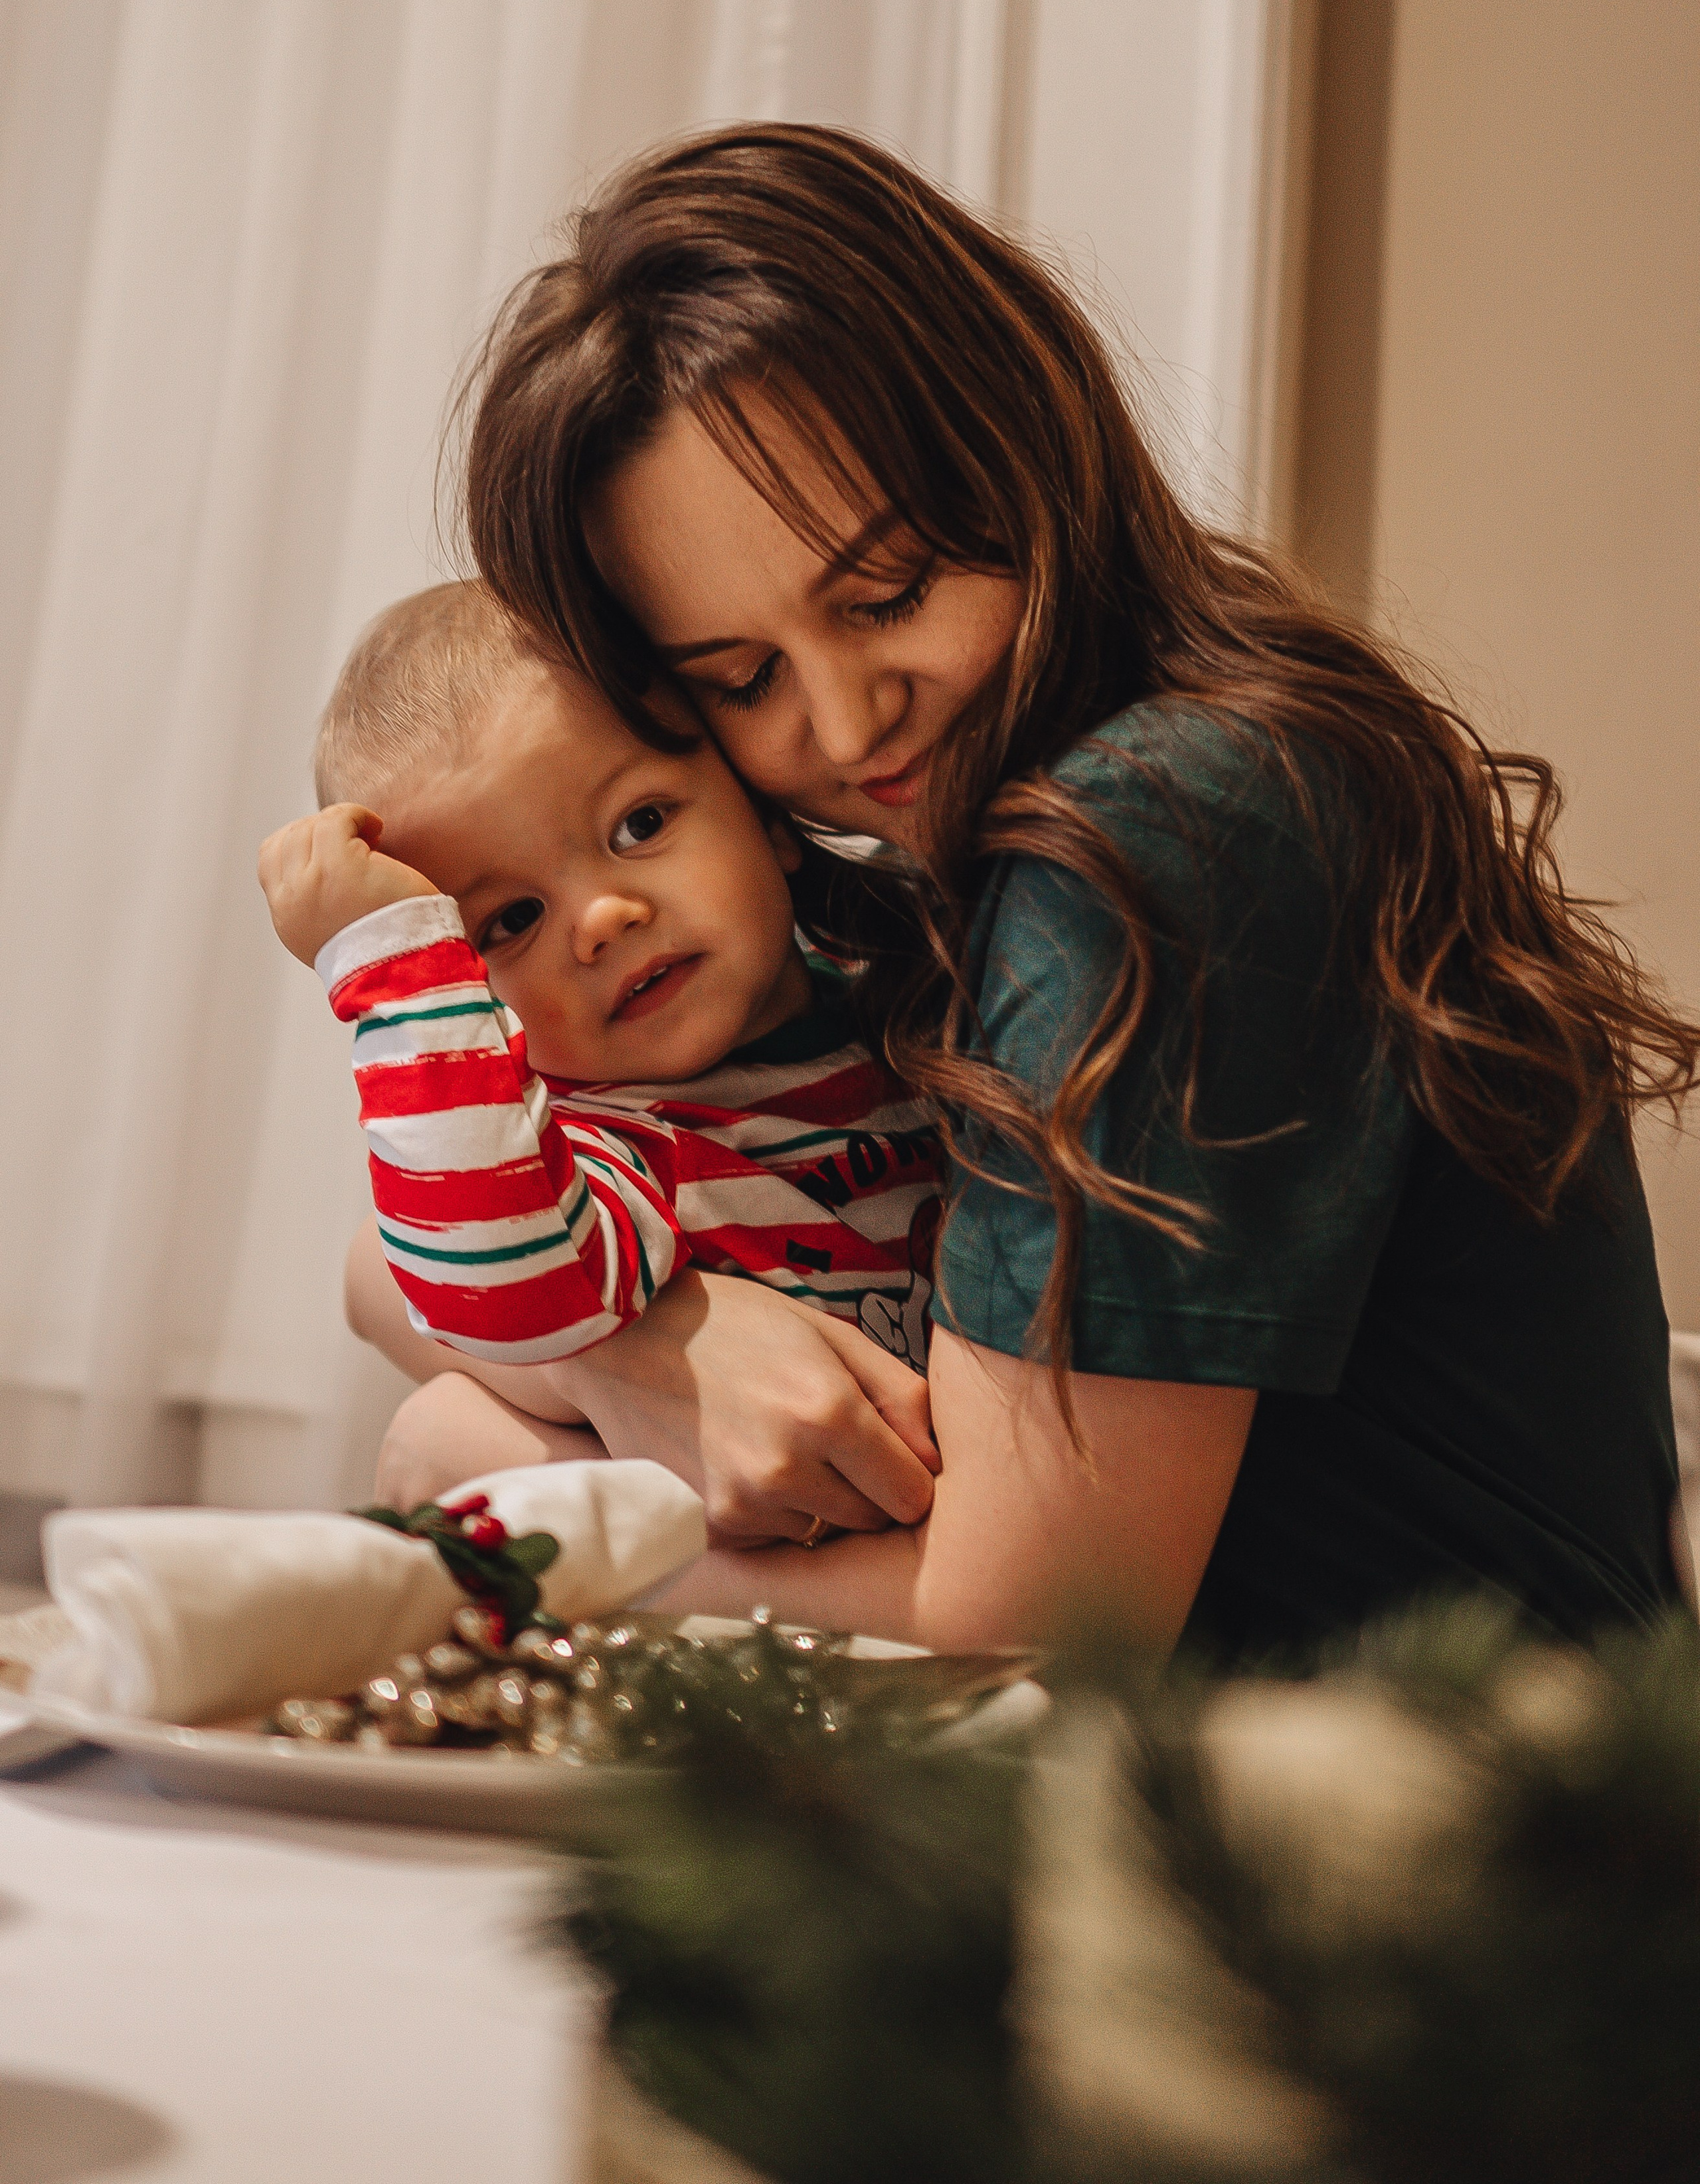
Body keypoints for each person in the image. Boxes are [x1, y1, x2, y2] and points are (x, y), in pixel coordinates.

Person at [357, 122, 1699, 1665]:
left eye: (887, 596)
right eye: (741, 679)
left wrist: (501, 1503)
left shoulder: (1157, 827)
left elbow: (1021, 1621)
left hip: (1415, 1797)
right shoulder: (969, 878)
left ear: (1021, 443)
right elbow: (376, 1268)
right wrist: (650, 1354)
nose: (847, 724)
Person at [260, 581, 944, 1479]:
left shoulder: (923, 1008)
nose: (602, 919)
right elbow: (504, 1291)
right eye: (512, 920)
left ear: (765, 816)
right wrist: (395, 970)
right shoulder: (597, 1153)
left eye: (639, 824)